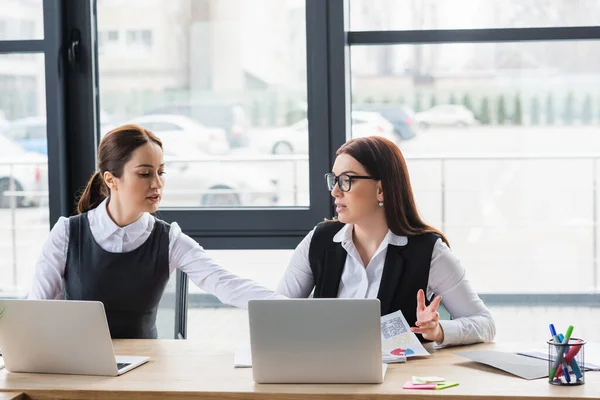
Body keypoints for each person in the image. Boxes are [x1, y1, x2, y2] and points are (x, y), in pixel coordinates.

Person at [28, 124, 283, 339]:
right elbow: (36, 311)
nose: (157, 183)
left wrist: (291, 310)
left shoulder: (169, 239)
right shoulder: (66, 233)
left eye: (161, 172)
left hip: (146, 372)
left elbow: (227, 285)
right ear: (110, 179)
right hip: (78, 370)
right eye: (144, 173)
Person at [276, 136, 495, 347]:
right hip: (325, 375)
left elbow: (484, 323)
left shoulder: (428, 251)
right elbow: (276, 314)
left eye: (346, 181)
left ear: (381, 190)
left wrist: (439, 331)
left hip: (396, 380)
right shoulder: (319, 240)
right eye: (334, 180)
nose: (335, 191)